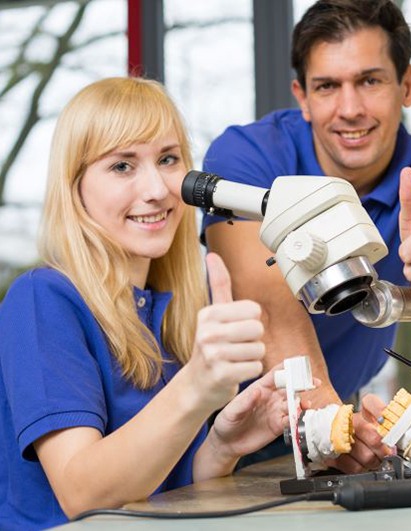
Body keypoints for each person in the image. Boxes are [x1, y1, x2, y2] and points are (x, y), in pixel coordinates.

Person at [201, 0, 411, 471]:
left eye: (370, 81)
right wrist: (327, 416)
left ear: (407, 85)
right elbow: (265, 300)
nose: (349, 109)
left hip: (327, 416)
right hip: (216, 425)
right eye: (327, 87)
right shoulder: (249, 156)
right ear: (302, 97)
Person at [0, 77, 292, 531]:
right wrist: (195, 388)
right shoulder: (42, 300)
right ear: (74, 188)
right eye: (122, 166)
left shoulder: (172, 310)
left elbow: (154, 490)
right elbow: (83, 495)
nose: (157, 188)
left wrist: (220, 447)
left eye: (168, 159)